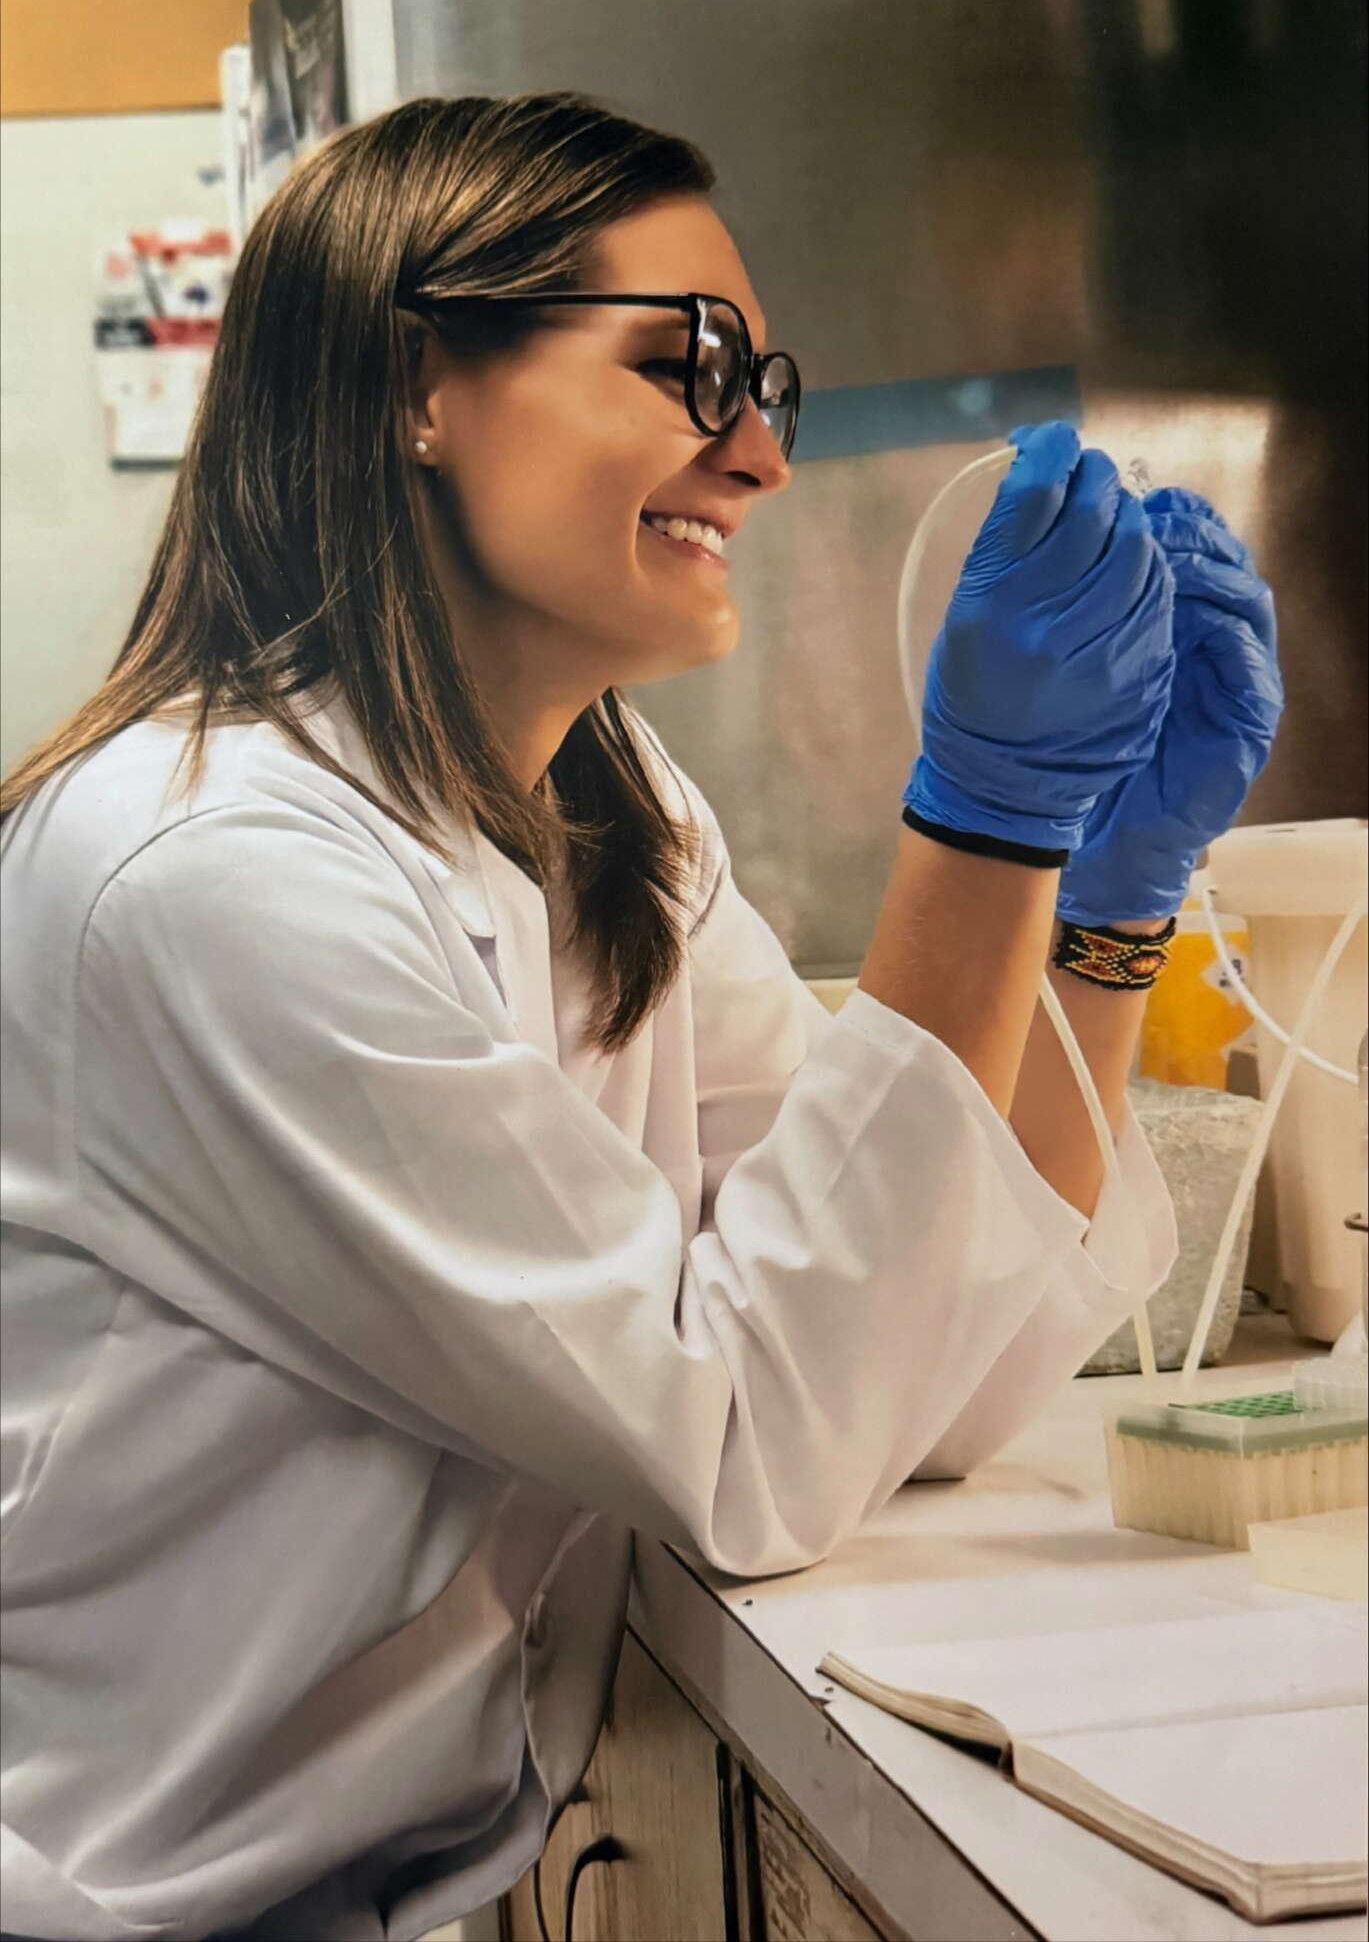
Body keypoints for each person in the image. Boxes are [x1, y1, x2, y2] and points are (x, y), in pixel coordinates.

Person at [0, 94, 1281, 1942]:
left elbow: (923, 1375)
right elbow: (748, 1447)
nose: (758, 454)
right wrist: (984, 826)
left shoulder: (613, 816)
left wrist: (1104, 910)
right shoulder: (206, 877)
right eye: (685, 366)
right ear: (413, 383)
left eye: (759, 375)